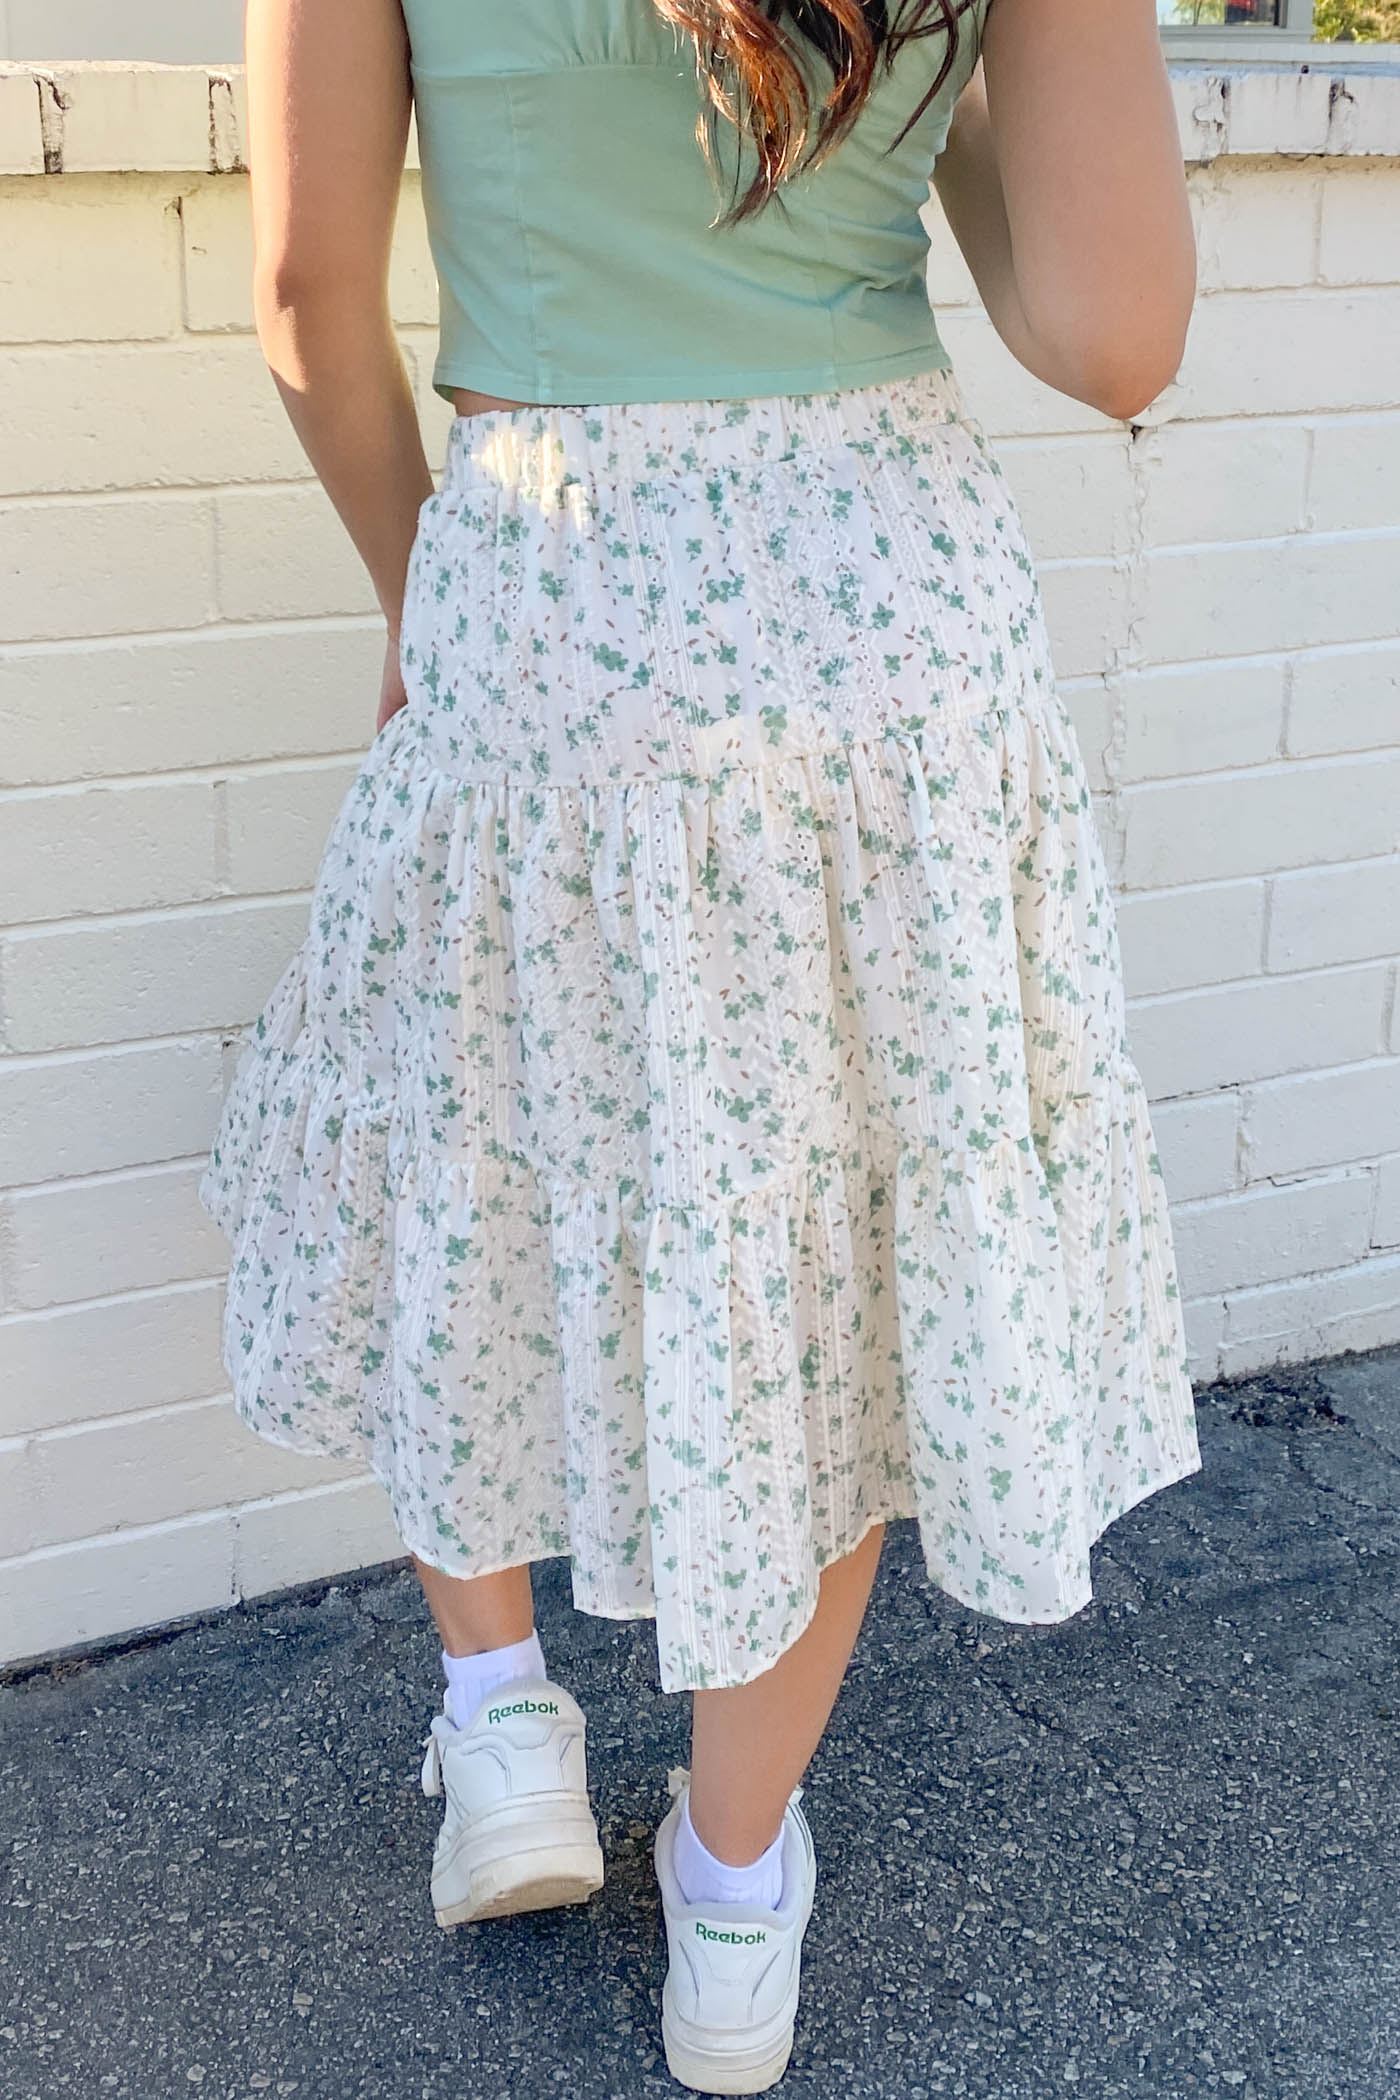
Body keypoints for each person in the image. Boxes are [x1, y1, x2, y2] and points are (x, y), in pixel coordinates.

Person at [200, 1, 1203, 2090]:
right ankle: (731, 1897)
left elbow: (306, 299)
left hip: (548, 593)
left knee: (462, 1147)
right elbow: (1110, 331)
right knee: (828, 1250)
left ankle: (500, 1730)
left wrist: (429, 610)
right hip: (888, 642)